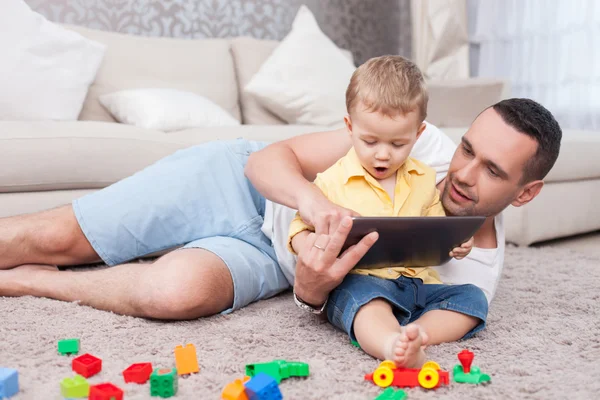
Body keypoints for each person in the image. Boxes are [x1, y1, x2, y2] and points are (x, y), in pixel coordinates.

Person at [0, 95, 561, 324]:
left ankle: (32, 285)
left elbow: (342, 306)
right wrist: (315, 204)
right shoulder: (418, 142)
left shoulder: (474, 273)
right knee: (48, 236)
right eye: (469, 149)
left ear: (526, 192)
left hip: (272, 260)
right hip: (242, 188)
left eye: (492, 170)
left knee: (172, 295)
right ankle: (36, 259)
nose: (462, 173)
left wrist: (312, 289)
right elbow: (269, 161)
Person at [284, 55, 478, 367]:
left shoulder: (424, 178)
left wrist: (456, 244)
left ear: (418, 134)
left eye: (398, 144)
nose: (383, 155)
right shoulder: (332, 179)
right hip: (364, 282)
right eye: (370, 141)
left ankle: (415, 334)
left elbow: (435, 227)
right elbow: (299, 228)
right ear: (349, 127)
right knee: (362, 300)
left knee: (471, 298)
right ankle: (390, 344)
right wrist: (309, 245)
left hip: (419, 285)